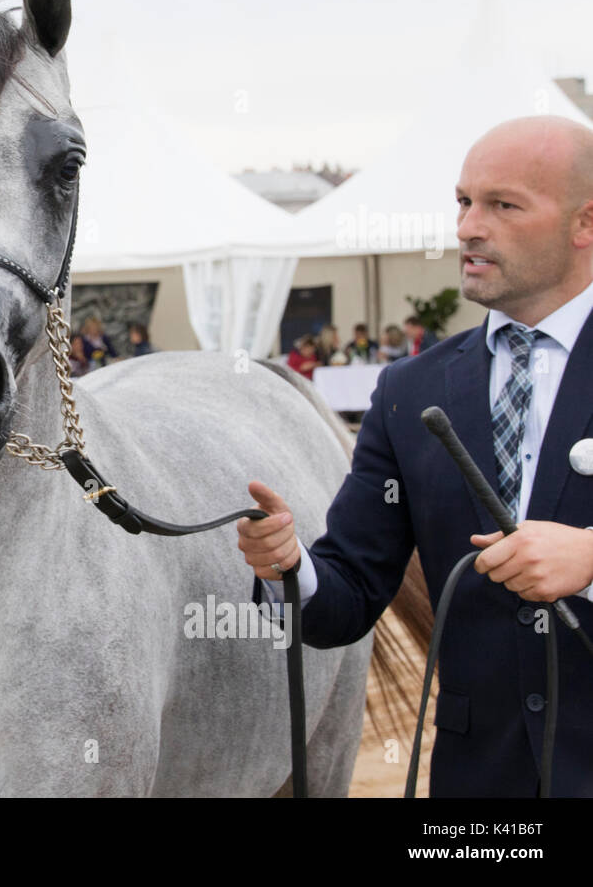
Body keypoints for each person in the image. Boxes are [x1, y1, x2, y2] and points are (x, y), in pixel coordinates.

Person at [236, 115, 593, 796]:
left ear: (585, 223)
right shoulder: (410, 391)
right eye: (463, 202)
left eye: (503, 205)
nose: (466, 228)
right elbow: (351, 592)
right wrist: (293, 568)